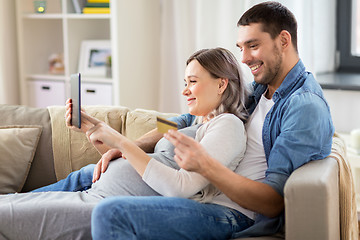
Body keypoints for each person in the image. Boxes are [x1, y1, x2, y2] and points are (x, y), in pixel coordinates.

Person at [90, 1, 334, 239]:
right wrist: (130, 145)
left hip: (232, 214)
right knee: (88, 173)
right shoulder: (257, 91)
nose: (245, 58)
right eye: (240, 47)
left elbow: (272, 202)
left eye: (253, 46)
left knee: (112, 213)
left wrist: (207, 165)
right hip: (206, 198)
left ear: (283, 40)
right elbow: (183, 119)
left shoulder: (304, 106)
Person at [0, 48, 252, 239]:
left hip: (103, 204)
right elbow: (152, 139)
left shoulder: (227, 124)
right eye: (184, 83)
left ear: (221, 83)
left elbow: (180, 187)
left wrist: (117, 139)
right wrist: (96, 131)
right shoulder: (189, 120)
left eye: (193, 82)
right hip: (94, 193)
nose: (185, 91)